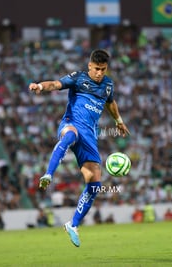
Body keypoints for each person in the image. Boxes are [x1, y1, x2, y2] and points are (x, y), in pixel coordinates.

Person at [29, 49, 130, 247]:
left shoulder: (108, 85)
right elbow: (56, 84)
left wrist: (118, 120)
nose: (99, 73)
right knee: (70, 135)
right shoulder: (78, 78)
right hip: (71, 123)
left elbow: (111, 103)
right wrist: (40, 86)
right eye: (96, 69)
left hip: (90, 137)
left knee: (94, 183)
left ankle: (73, 224)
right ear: (89, 66)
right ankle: (48, 174)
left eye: (103, 69)